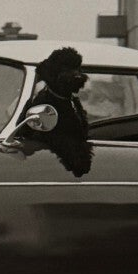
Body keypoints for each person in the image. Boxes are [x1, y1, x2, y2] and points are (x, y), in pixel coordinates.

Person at [15, 46, 93, 176]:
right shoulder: (41, 105)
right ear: (52, 73)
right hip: (40, 169)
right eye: (66, 69)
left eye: (77, 68)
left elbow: (82, 135)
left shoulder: (74, 103)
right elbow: (38, 135)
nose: (77, 75)